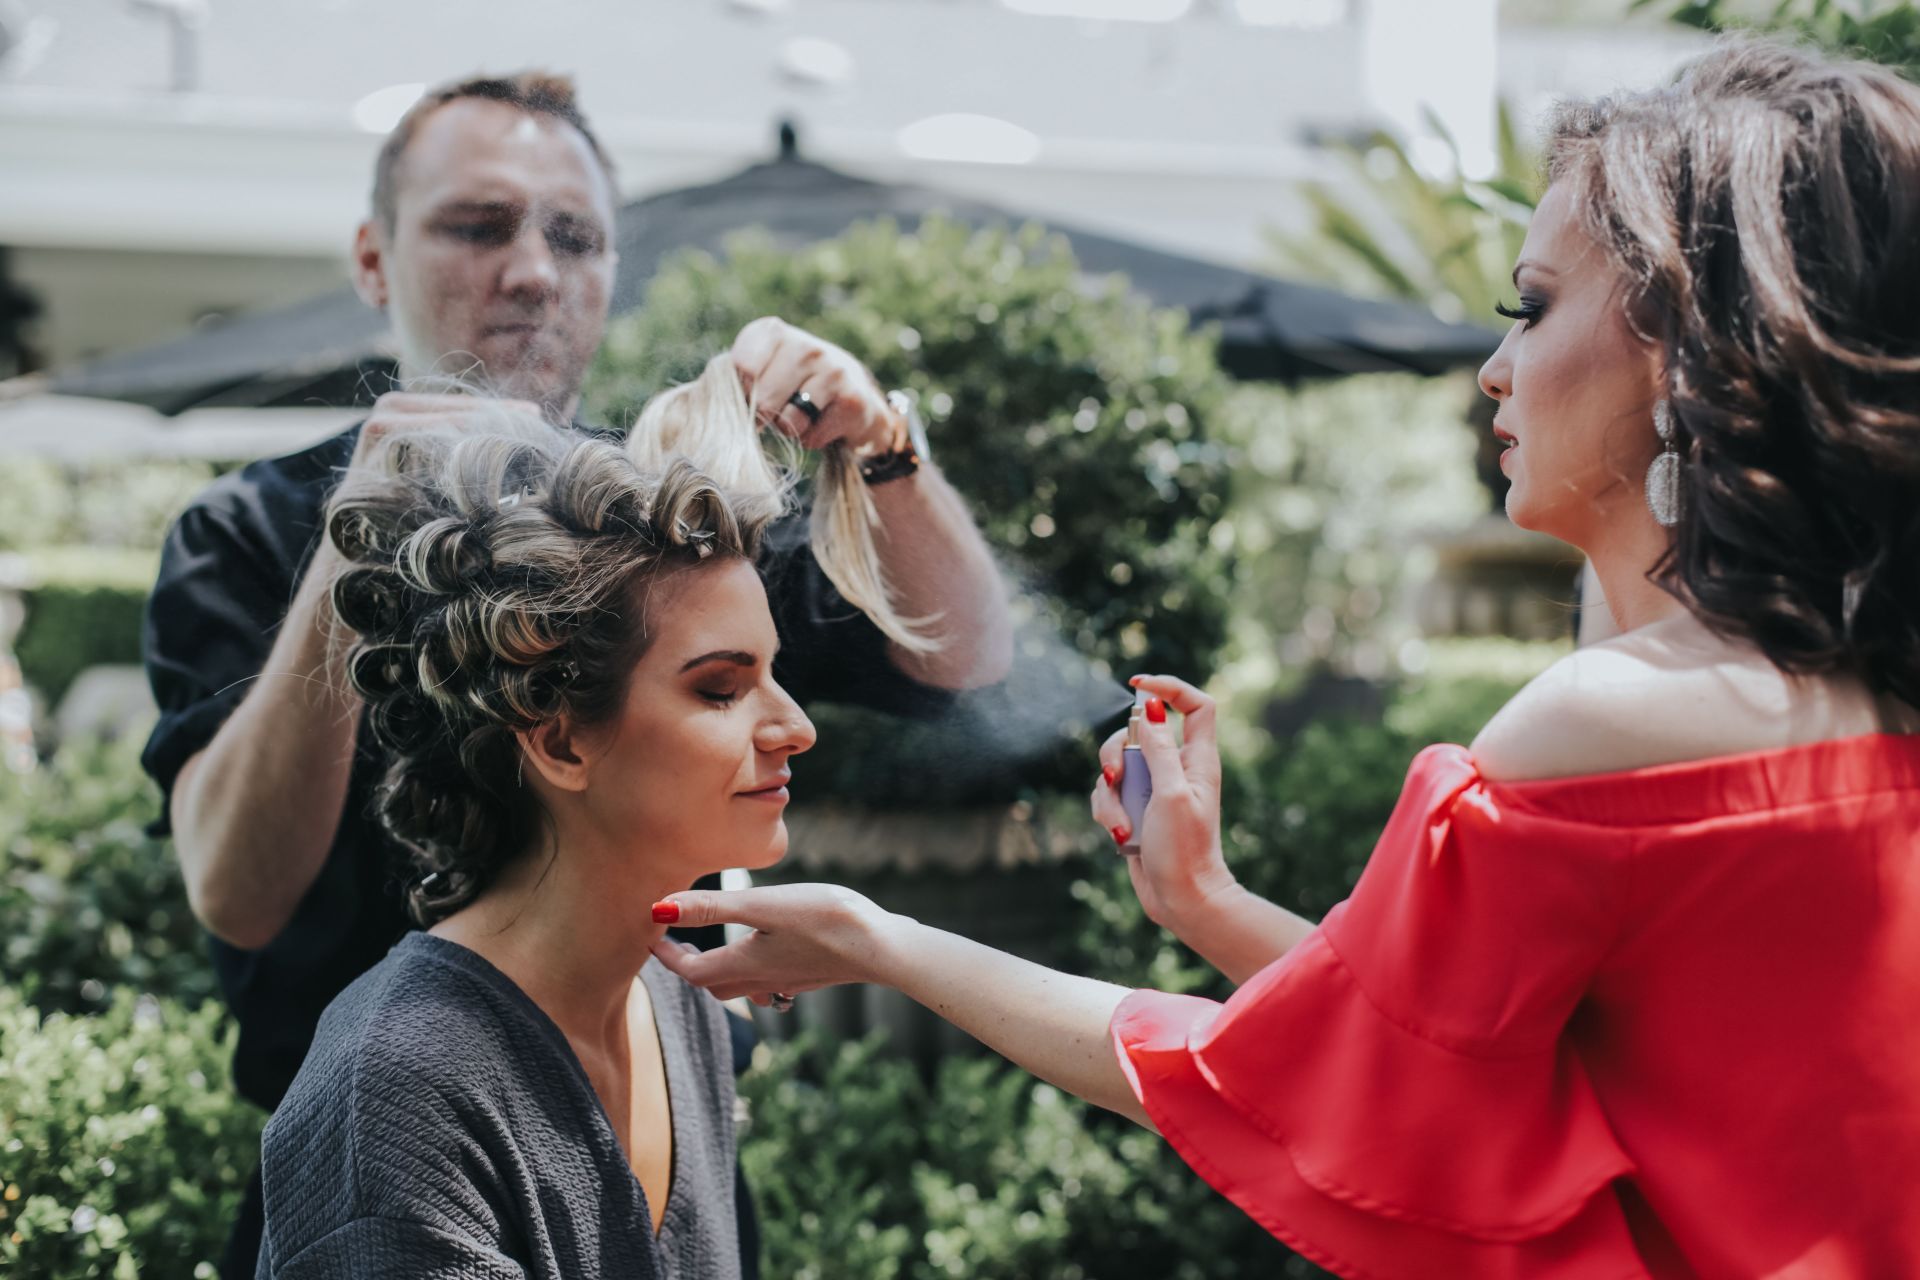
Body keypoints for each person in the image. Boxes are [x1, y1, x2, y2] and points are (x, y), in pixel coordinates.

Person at [648, 38, 1920, 1278]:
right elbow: (1415, 1053)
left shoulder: (1604, 722)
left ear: (1687, 351)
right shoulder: (1862, 696)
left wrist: (878, 940)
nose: (1493, 367)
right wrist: (1203, 900)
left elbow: (1282, 1090)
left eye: (1529, 307)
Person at [139, 70, 1011, 1278]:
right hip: (399, 1161)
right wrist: (356, 546)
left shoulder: (657, 535)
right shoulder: (246, 531)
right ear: (375, 260)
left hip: (655, 1094)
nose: (535, 271)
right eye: (477, 225)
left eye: (575, 235)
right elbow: (237, 890)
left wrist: (883, 446)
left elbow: (962, 658)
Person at [256, 415, 809, 1277]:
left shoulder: (677, 1006)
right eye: (721, 688)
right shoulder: (400, 1093)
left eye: (776, 674)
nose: (796, 728)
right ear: (557, 742)